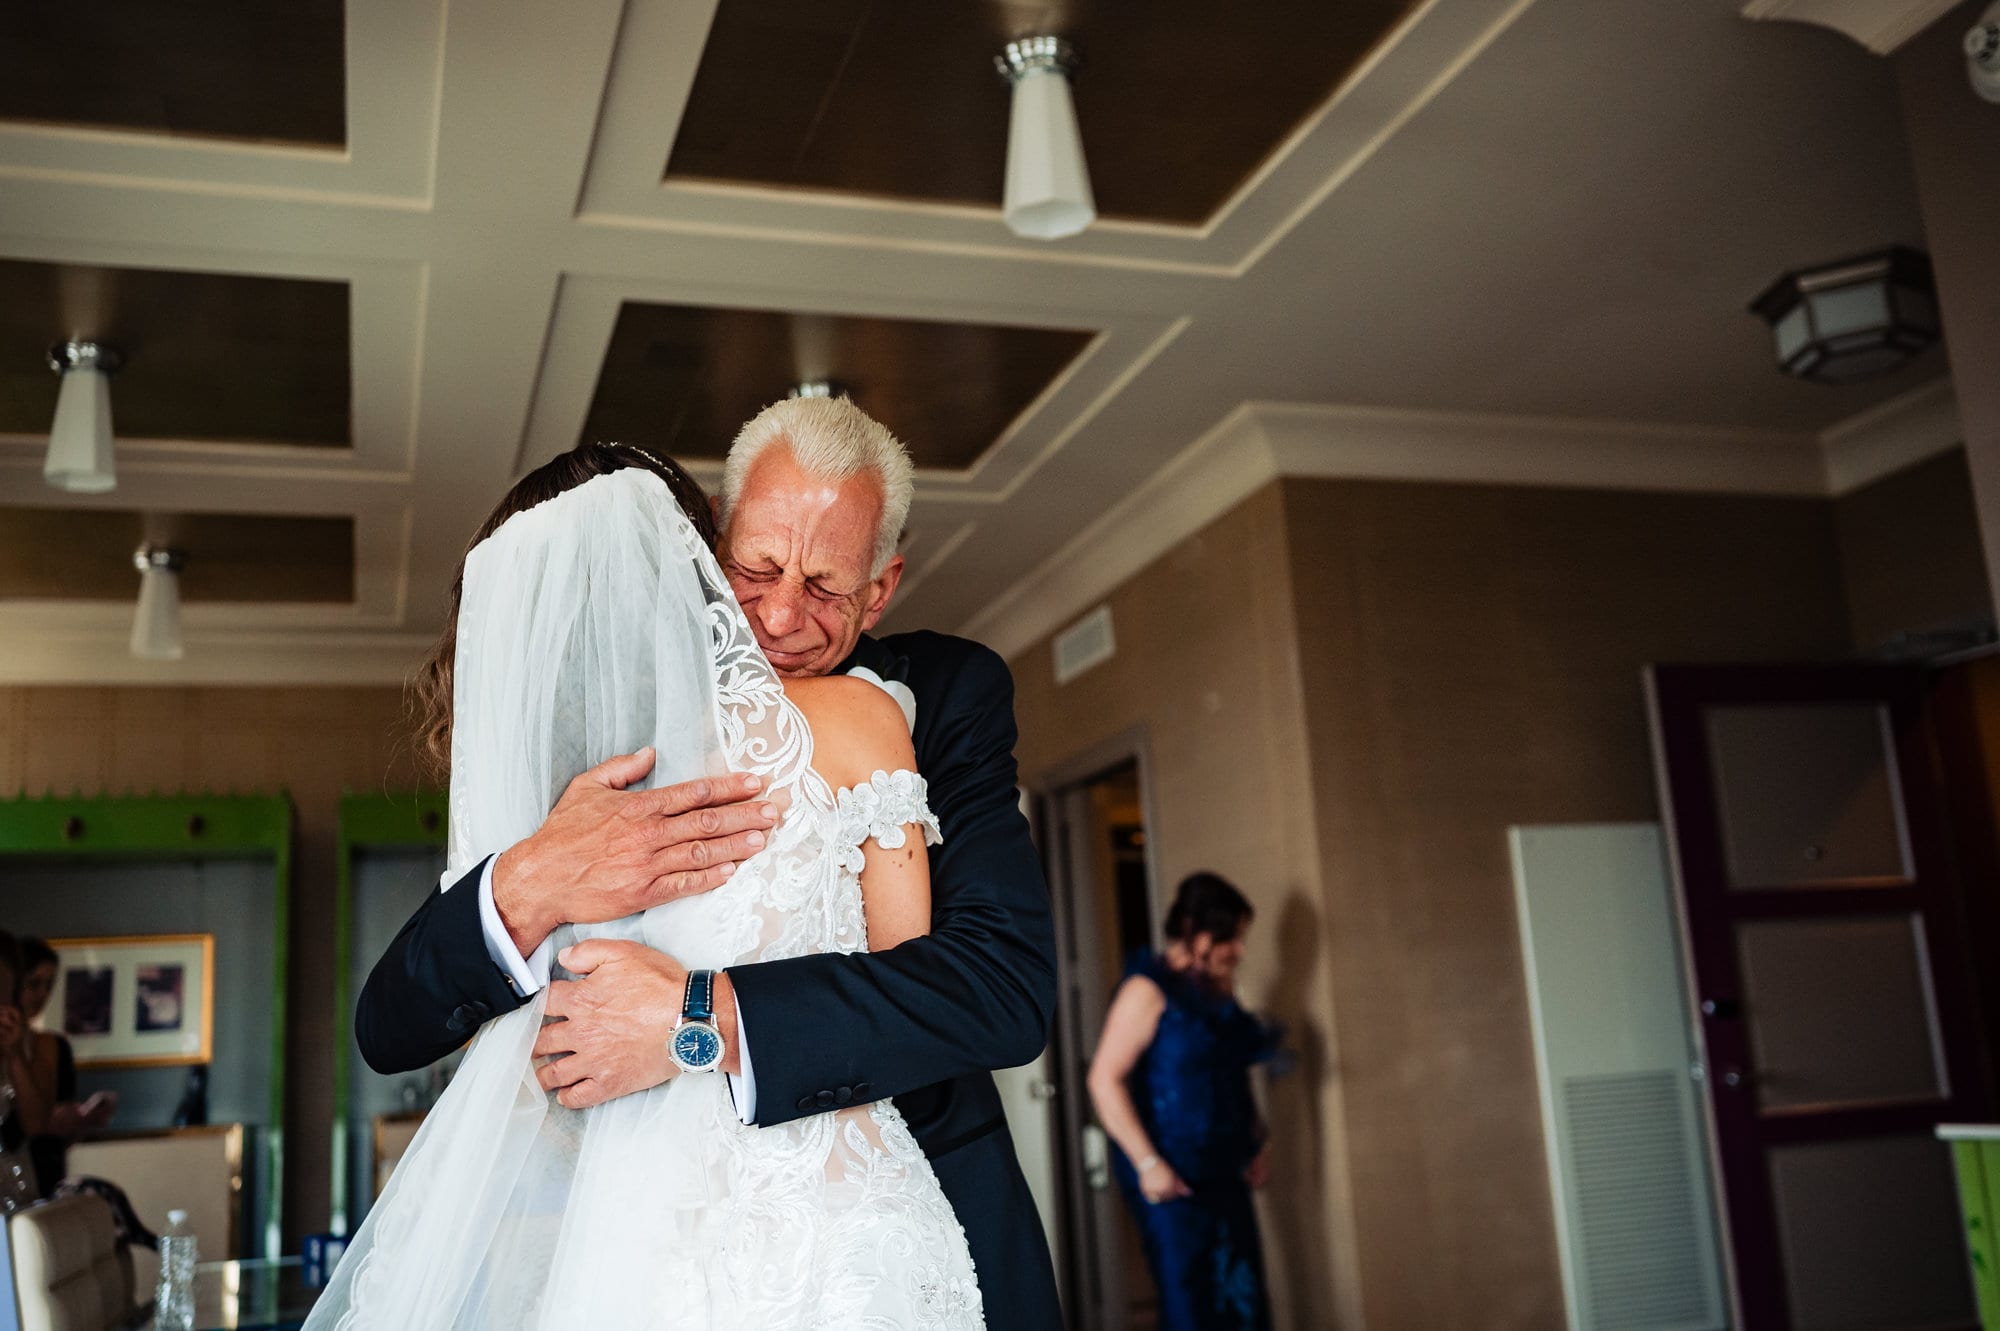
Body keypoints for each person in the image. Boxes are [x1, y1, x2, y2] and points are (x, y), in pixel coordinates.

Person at [354, 400, 1060, 1328]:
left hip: (873, 1223)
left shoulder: (935, 697)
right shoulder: (595, 733)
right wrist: (532, 879)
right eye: (756, 567)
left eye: (827, 587)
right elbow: (393, 1024)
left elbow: (996, 988)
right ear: (706, 538)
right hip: (634, 1241)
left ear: (880, 591)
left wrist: (697, 1017)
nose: (778, 614)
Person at [1087, 872, 1279, 1331]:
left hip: (1225, 1171)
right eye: (1229, 937)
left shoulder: (1218, 988)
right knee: (1191, 1305)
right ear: (1195, 932)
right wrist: (1148, 1162)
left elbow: (1231, 1071)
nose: (1239, 950)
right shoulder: (1146, 991)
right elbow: (1103, 1080)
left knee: (1244, 1297)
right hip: (1171, 1176)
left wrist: (1256, 1142)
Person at [12, 936, 116, 1194]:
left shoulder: (56, 1046)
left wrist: (82, 1119)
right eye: (33, 984)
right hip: (11, 1169)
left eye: (49, 985)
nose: (42, 995)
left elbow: (65, 1136)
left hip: (49, 1171)